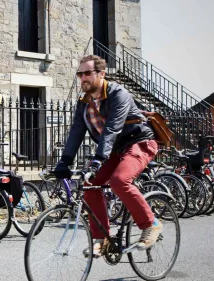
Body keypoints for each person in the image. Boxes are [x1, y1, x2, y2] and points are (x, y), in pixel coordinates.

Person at [53, 55, 161, 258]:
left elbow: (112, 128)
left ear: (101, 74)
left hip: (139, 142)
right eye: (80, 74)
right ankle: (101, 239)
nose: (83, 78)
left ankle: (151, 224)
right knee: (90, 184)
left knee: (119, 180)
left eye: (87, 73)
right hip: (115, 150)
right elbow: (76, 131)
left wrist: (97, 159)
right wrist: (64, 161)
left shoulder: (117, 93)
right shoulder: (83, 102)